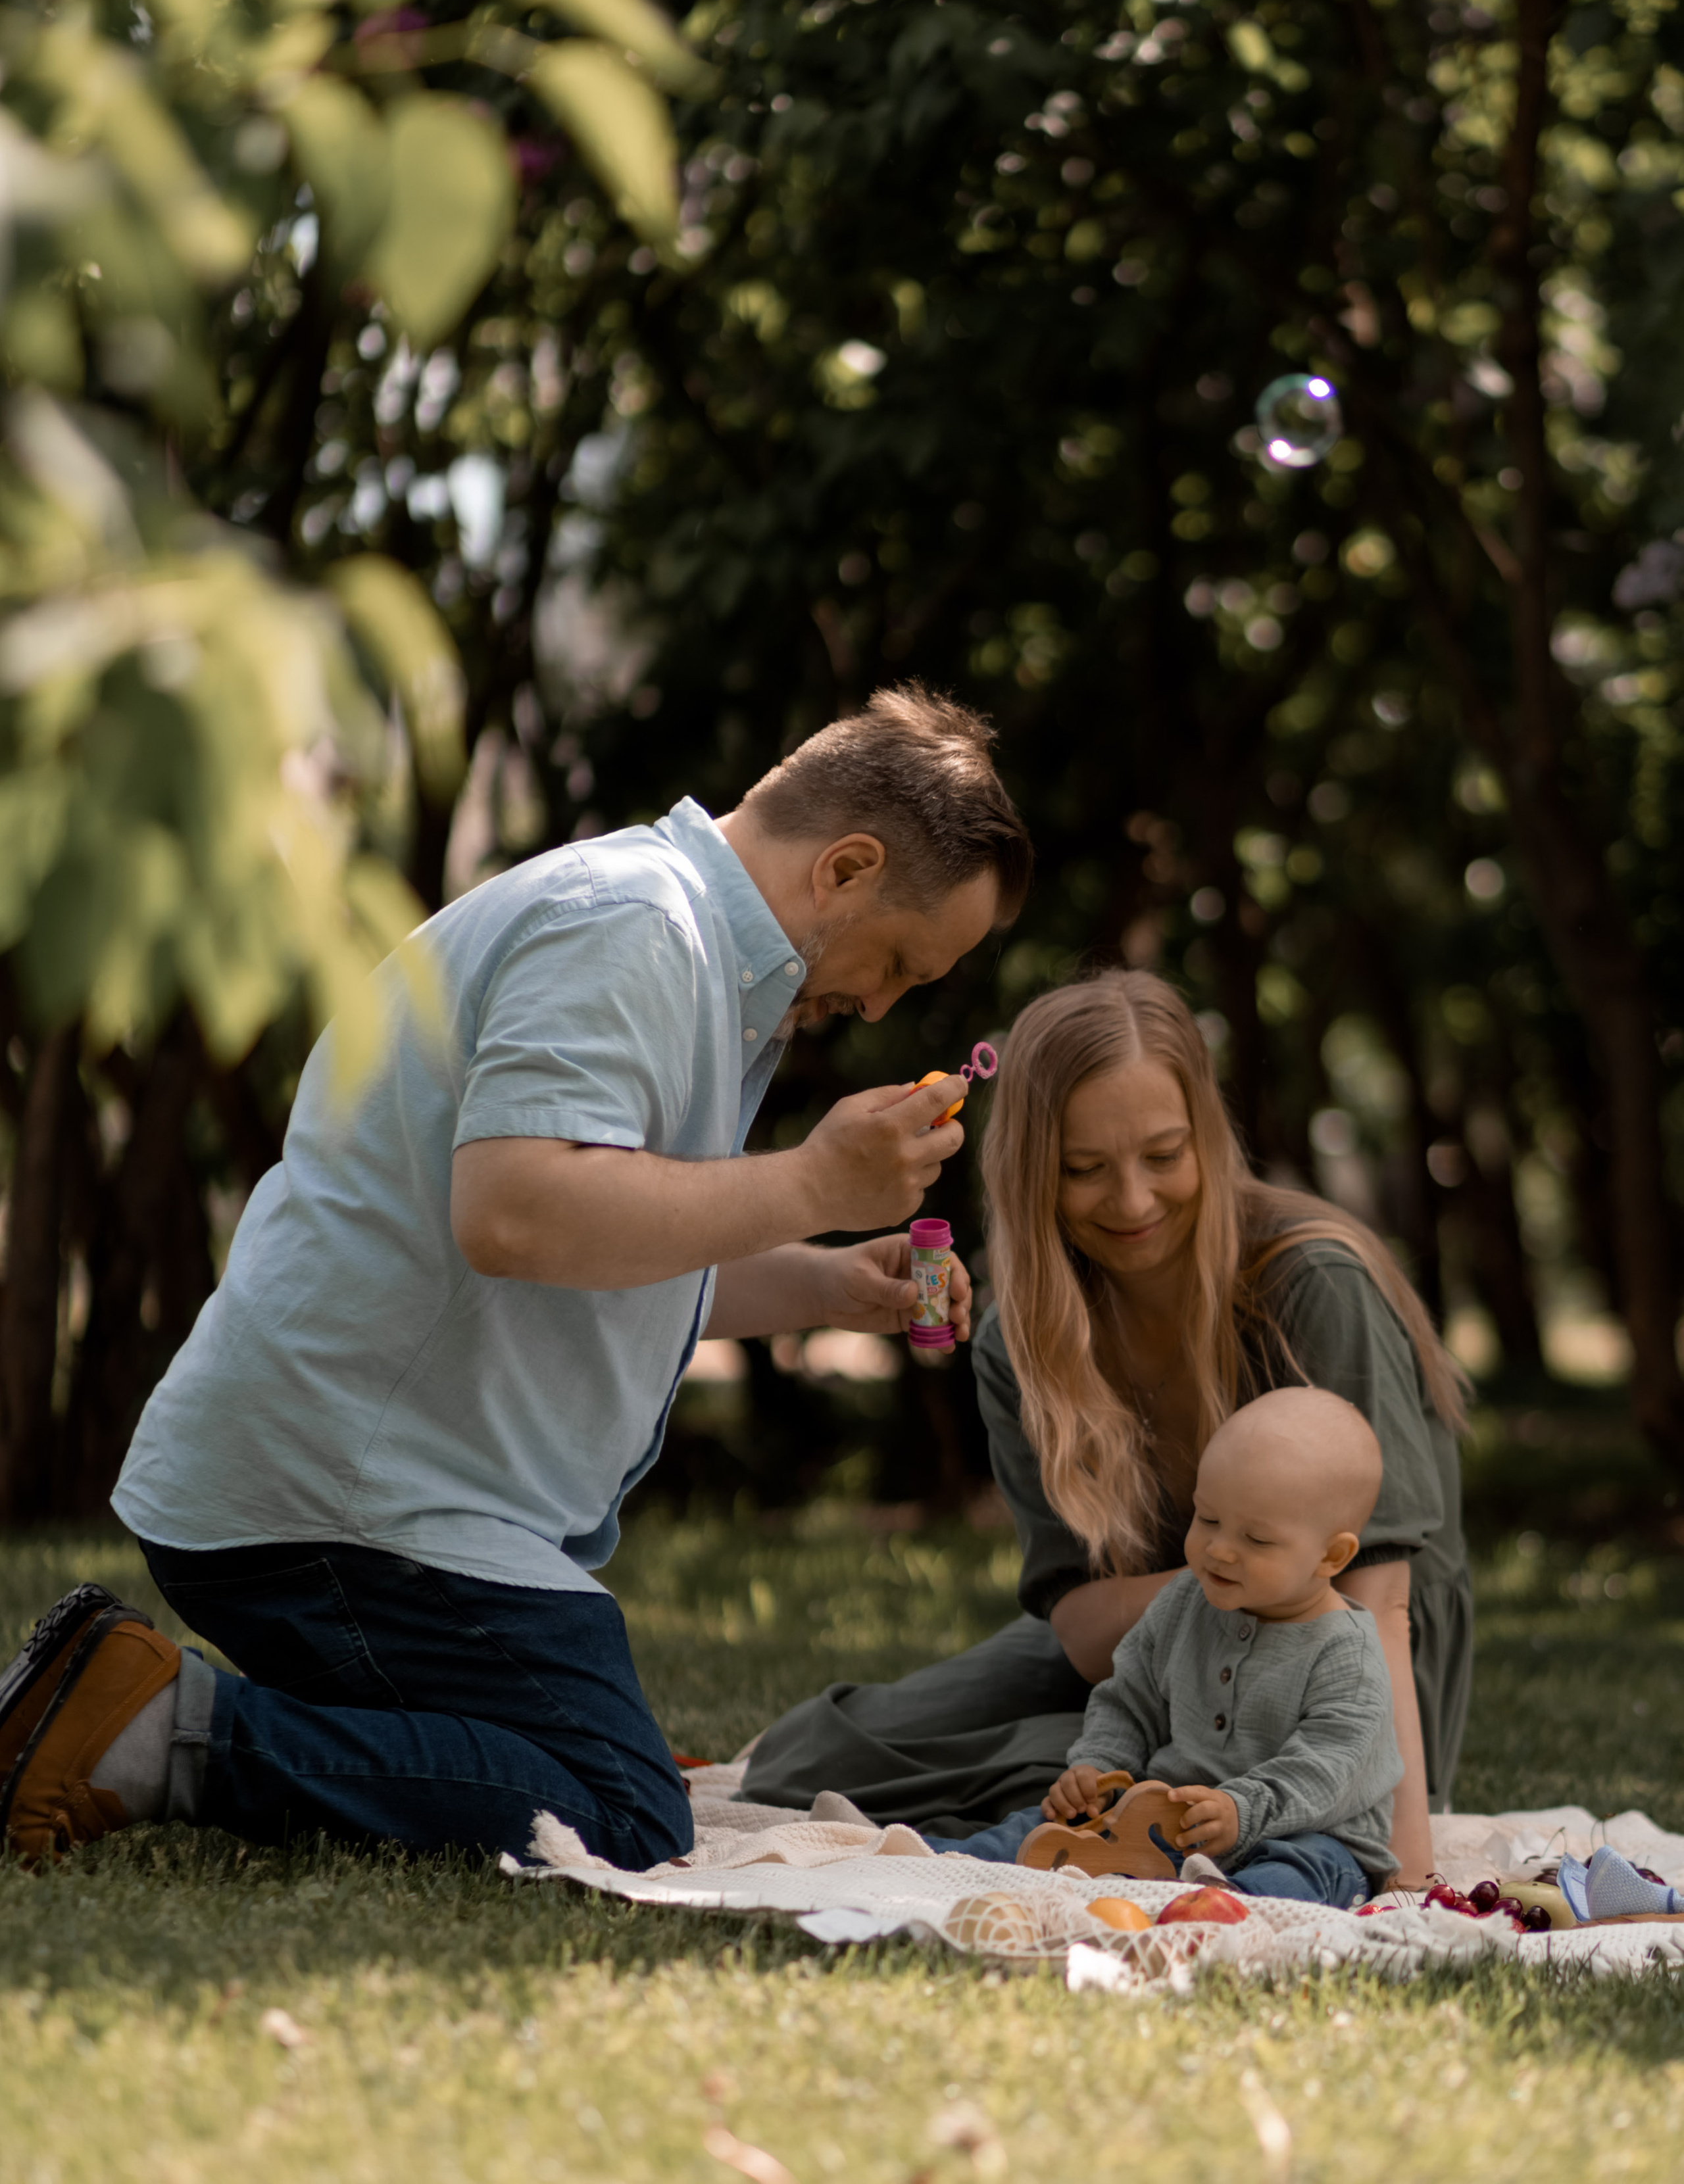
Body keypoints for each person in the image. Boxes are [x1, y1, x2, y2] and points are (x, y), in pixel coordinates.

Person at [0, 686, 1030, 1868]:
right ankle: (153, 1726)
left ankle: (198, 1718)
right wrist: (812, 1183)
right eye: (901, 961)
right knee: (624, 1811)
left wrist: (835, 1282)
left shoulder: (679, 949)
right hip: (342, 1503)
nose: (883, 1004)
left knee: (585, 1769)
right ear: (845, 868)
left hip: (355, 1493)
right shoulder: (635, 928)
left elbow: (618, 1250)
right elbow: (519, 1212)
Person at [743, 971, 1472, 1886]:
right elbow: (1087, 1628)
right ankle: (1133, 1799)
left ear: (1206, 1136)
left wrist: (1403, 1871)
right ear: (1033, 1171)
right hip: (1162, 1639)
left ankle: (1153, 1805)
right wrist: (1227, 1565)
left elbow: (1377, 1597)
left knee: (1155, 1773)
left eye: (1163, 1155)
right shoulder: (1023, 1337)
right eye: (1085, 1169)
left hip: (1332, 1661)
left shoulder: (1312, 1283)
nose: (1131, 1202)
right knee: (808, 1761)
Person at [928, 1389, 1402, 1909]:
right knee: (1047, 1827)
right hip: (1169, 1823)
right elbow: (1131, 1698)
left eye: (1257, 1540)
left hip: (1300, 1831)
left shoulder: (1345, 1653)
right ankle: (939, 1868)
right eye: (1208, 1518)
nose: (1220, 1549)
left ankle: (1226, 1909)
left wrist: (1239, 1811)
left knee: (1308, 1871)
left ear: (1331, 1556)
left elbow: (1324, 1771)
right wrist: (1099, 1771)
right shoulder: (1184, 1601)